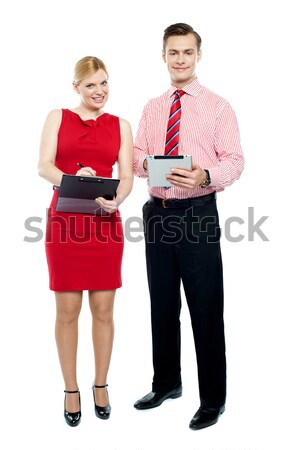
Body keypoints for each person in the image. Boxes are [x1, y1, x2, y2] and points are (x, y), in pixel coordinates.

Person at [133, 23, 244, 430]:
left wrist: (205, 176)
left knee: (205, 308)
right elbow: (135, 155)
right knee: (162, 304)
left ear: (198, 56)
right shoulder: (151, 107)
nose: (180, 59)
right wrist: (148, 164)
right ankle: (166, 383)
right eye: (173, 52)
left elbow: (234, 159)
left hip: (197, 214)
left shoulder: (217, 107)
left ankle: (213, 399)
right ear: (163, 56)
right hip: (158, 213)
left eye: (187, 52)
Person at [38, 56, 133, 427]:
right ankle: (71, 388)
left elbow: (126, 176)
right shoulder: (57, 117)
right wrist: (73, 174)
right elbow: (43, 166)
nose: (99, 91)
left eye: (104, 83)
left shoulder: (121, 125)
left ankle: (101, 384)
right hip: (65, 221)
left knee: (105, 311)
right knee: (67, 312)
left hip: (104, 222)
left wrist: (119, 199)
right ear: (75, 87)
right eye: (91, 84)